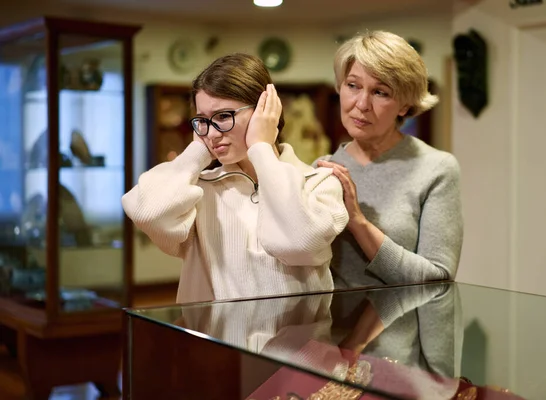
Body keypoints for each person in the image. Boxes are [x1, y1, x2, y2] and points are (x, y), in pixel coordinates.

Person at [122, 53, 348, 303]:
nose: (211, 133)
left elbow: (297, 243)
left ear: (266, 111)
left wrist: (260, 147)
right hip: (211, 341)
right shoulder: (200, 187)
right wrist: (197, 152)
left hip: (294, 342)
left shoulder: (320, 182)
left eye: (222, 116)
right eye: (202, 120)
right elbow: (146, 212)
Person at [316, 30, 463, 289]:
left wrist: (358, 222)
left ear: (405, 105)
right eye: (353, 85)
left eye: (380, 92)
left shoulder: (436, 169)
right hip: (330, 328)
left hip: (400, 328)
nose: (361, 104)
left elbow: (438, 278)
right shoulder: (321, 168)